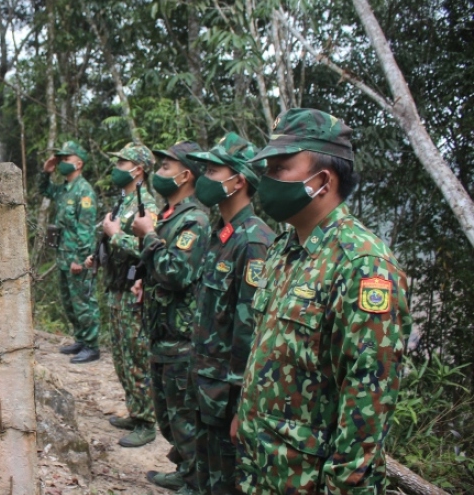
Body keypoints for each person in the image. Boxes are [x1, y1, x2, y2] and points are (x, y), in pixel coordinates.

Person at [233, 108, 412, 494]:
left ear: (322, 181)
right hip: (262, 465)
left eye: (280, 168)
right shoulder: (284, 248)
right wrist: (242, 415)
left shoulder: (363, 265)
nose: (266, 180)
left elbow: (368, 398)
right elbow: (269, 348)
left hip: (308, 479)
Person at [183, 133, 275, 495]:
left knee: (227, 483)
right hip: (205, 384)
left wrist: (241, 406)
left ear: (238, 181)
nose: (203, 176)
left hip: (226, 397)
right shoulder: (220, 234)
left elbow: (250, 332)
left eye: (212, 169)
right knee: (206, 478)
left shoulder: (254, 242)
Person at [131, 141, 210, 492]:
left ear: (185, 175)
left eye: (165, 167)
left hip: (181, 340)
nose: (159, 172)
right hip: (161, 333)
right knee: (167, 418)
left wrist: (148, 237)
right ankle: (184, 470)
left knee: (185, 419)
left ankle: (195, 481)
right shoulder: (168, 215)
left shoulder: (194, 220)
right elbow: (161, 270)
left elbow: (178, 273)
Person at [85, 143, 160, 447]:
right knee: (120, 357)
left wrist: (116, 234)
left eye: (122, 162)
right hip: (115, 291)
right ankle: (135, 410)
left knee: (137, 359)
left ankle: (147, 421)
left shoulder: (147, 206)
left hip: (133, 292)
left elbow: (148, 249)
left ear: (138, 169)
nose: (116, 167)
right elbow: (110, 238)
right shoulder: (124, 201)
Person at [39, 140, 101, 364]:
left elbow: (85, 229)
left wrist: (80, 259)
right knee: (69, 302)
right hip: (63, 256)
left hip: (77, 257)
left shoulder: (84, 191)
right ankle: (82, 340)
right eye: (61, 159)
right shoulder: (64, 189)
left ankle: (92, 346)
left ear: (79, 163)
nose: (62, 163)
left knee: (83, 301)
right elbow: (44, 190)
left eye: (66, 159)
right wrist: (46, 172)